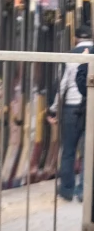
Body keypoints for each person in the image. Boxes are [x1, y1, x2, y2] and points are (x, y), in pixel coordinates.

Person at [48, 24, 92, 201]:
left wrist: (53, 110)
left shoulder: (69, 55)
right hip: (91, 107)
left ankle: (66, 189)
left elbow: (62, 84)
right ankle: (84, 191)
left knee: (68, 150)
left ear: (75, 38)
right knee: (89, 152)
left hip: (70, 108)